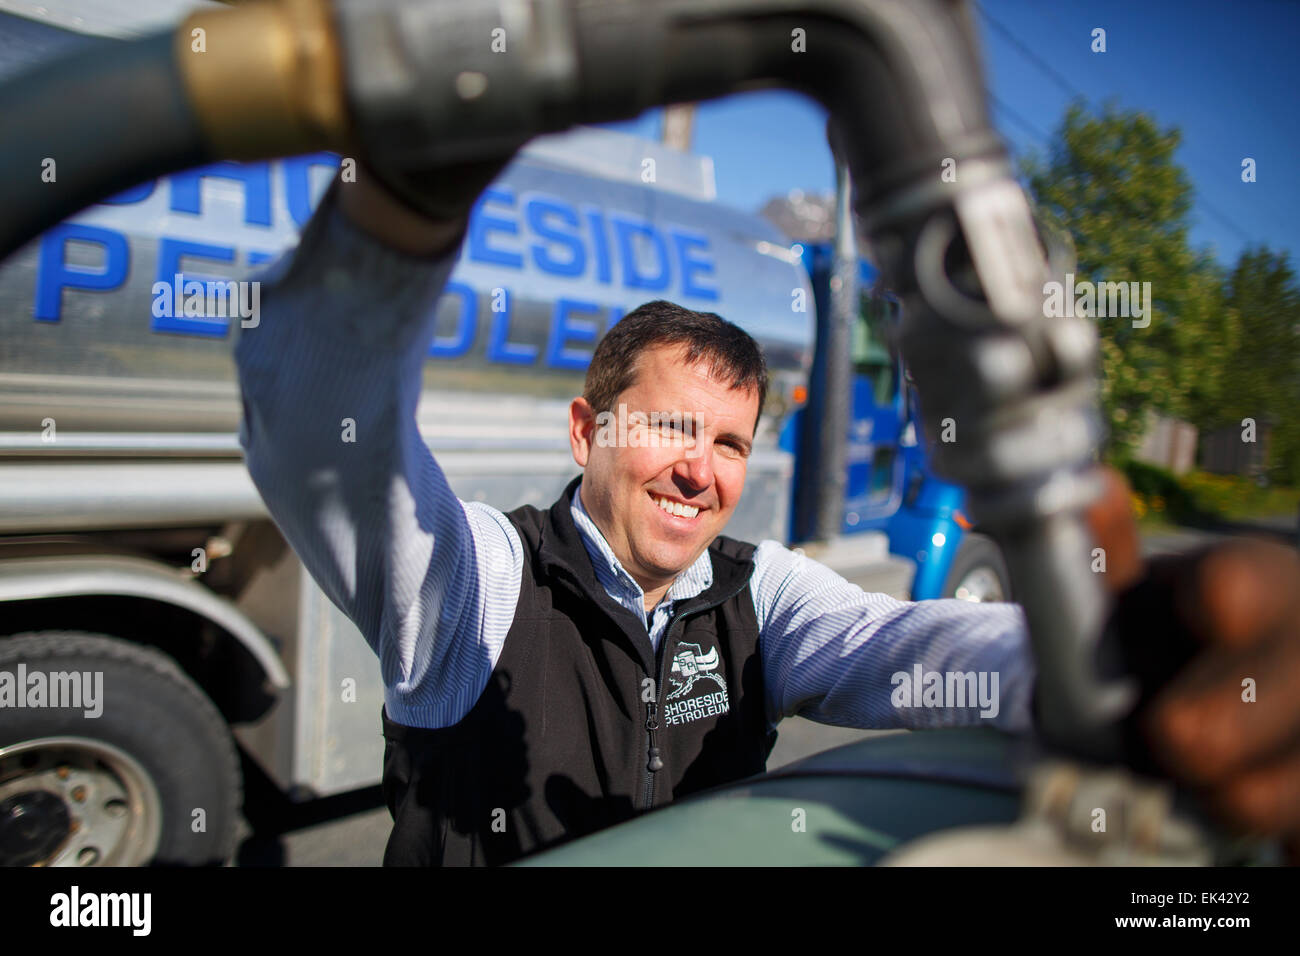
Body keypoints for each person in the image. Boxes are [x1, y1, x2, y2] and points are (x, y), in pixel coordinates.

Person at [233, 152, 1300, 866]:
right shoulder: (476, 583)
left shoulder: (761, 590)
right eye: (669, 428)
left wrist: (1138, 658)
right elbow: (310, 415)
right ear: (584, 432)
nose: (701, 470)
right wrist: (404, 199)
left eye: (731, 442)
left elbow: (916, 648)